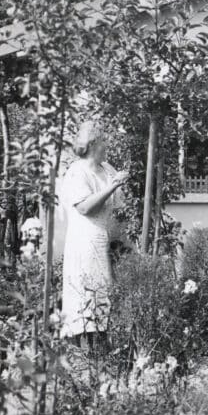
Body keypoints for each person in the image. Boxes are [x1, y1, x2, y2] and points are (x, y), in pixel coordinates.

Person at [60, 121, 128, 346]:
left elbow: (118, 206)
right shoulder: (77, 172)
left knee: (105, 291)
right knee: (86, 292)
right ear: (92, 144)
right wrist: (113, 186)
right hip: (85, 239)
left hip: (105, 236)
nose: (107, 145)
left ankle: (103, 347)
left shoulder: (107, 169)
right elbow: (85, 208)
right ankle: (84, 348)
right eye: (103, 141)